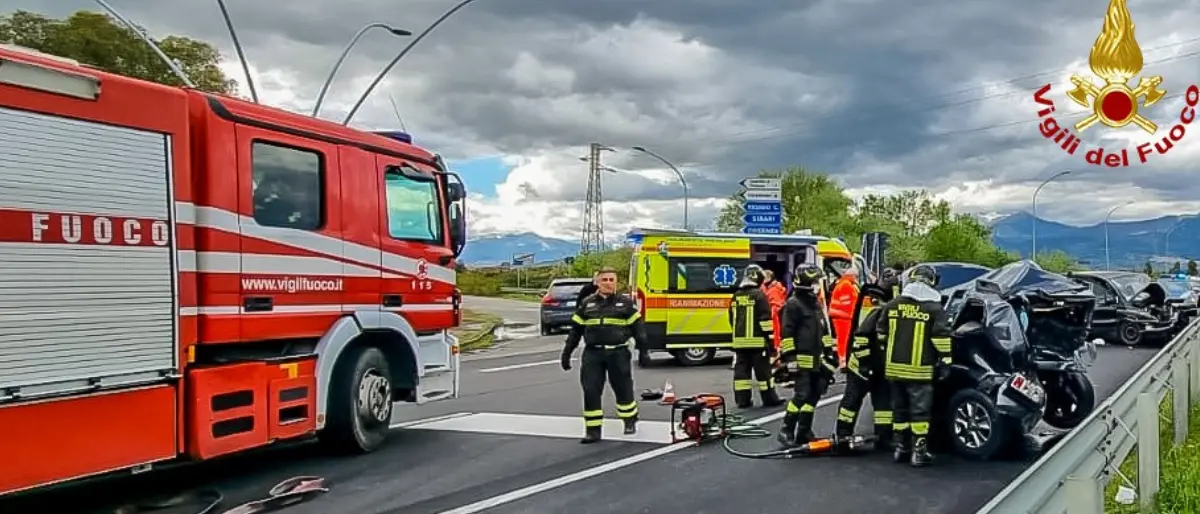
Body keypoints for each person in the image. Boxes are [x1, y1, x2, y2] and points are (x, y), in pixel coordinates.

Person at [875, 264, 953, 467]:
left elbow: (881, 333)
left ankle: (901, 448)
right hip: (919, 370)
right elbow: (941, 338)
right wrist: (946, 361)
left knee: (899, 410)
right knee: (920, 413)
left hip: (893, 369)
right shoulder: (934, 308)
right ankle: (919, 452)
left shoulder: (892, 305)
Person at [561, 267, 646, 443]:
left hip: (618, 353)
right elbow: (575, 331)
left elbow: (639, 330)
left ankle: (629, 420)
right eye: (604, 280)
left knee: (623, 389)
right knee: (590, 390)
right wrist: (567, 353)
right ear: (597, 283)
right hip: (593, 354)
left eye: (611, 280)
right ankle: (593, 431)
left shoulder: (626, 303)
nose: (608, 283)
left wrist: (643, 351)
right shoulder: (587, 304)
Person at [776, 264, 838, 446]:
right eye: (814, 282)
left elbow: (824, 331)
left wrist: (830, 353)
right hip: (801, 361)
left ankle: (804, 431)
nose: (818, 285)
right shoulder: (793, 305)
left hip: (818, 361)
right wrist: (790, 360)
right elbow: (786, 335)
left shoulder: (815, 303)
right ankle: (786, 430)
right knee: (801, 396)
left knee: (813, 397)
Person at [834, 287, 893, 451]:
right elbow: (861, 339)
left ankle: (884, 438)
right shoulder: (878, 313)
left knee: (883, 406)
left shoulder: (891, 312)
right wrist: (865, 365)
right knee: (851, 402)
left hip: (880, 369)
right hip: (860, 368)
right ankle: (843, 436)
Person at [729, 264, 784, 409]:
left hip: (739, 343)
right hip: (758, 343)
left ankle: (743, 401)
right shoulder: (759, 296)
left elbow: (731, 319)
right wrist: (771, 344)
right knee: (764, 374)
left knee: (741, 374)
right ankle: (769, 399)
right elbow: (765, 322)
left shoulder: (736, 296)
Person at [829, 266, 861, 368]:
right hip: (843, 316)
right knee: (844, 339)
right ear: (852, 276)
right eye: (855, 277)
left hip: (839, 315)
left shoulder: (842, 283)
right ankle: (843, 360)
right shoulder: (847, 285)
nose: (856, 279)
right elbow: (849, 303)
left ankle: (843, 358)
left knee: (842, 339)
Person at [760, 269, 788, 351]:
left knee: (775, 337)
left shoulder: (773, 290)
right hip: (776, 316)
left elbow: (775, 306)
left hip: (774, 316)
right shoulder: (773, 288)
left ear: (769, 278)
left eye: (764, 277)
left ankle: (776, 350)